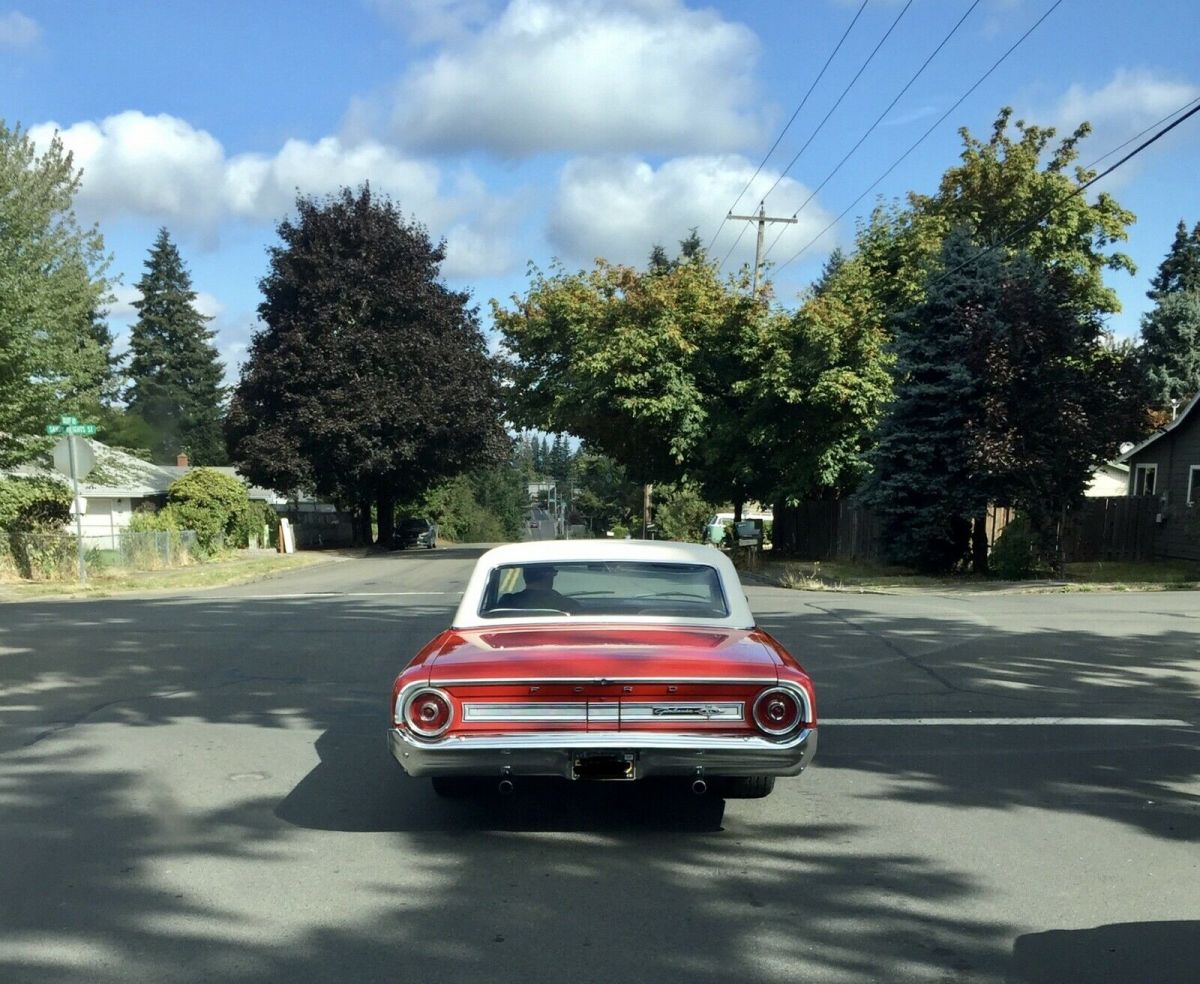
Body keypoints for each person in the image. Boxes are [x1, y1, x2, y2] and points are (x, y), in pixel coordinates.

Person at [500, 565, 579, 613]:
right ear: (548, 575)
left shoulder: (506, 602)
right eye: (554, 572)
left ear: (525, 575)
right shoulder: (567, 605)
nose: (555, 574)